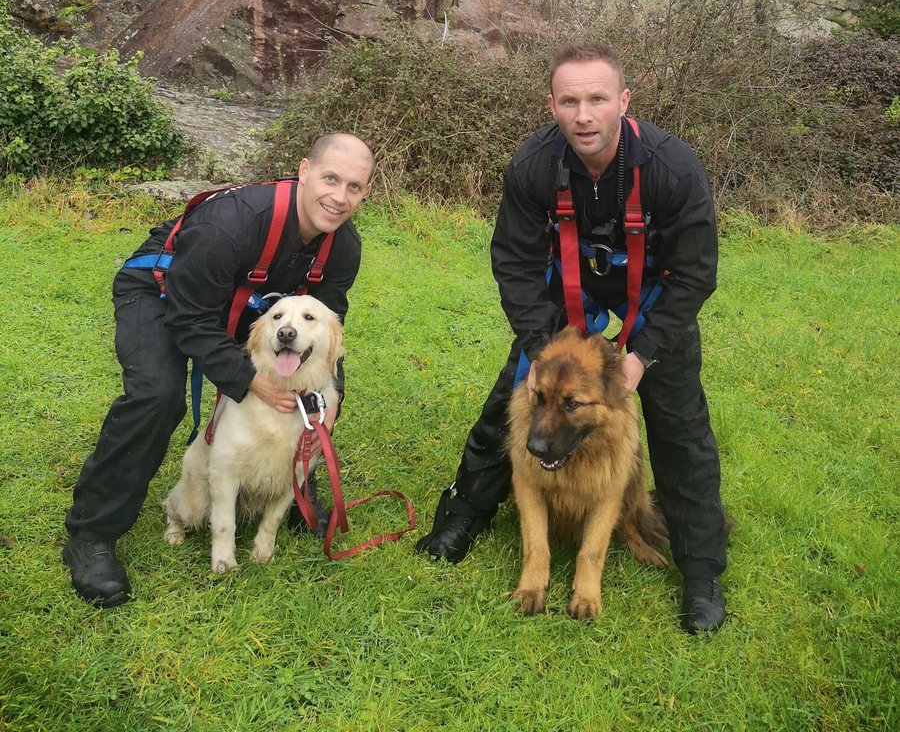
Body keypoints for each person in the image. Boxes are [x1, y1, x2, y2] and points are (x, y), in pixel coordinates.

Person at [415, 43, 728, 633]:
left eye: (597, 99)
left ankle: (702, 572)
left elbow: (694, 273)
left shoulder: (673, 167)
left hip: (653, 303)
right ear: (552, 105)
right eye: (569, 101)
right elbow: (514, 260)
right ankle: (461, 518)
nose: (584, 115)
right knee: (510, 404)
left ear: (624, 101)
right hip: (565, 306)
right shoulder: (534, 164)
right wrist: (538, 348)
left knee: (681, 429)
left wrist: (643, 355)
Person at [63, 132, 374, 608]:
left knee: (313, 388)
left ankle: (291, 481)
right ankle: (91, 534)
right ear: (304, 171)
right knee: (157, 394)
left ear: (365, 192)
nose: (339, 197)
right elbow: (190, 317)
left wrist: (329, 399)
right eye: (330, 179)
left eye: (354, 187)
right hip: (164, 293)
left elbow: (327, 333)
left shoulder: (344, 246)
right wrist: (249, 379)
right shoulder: (232, 223)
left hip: (251, 308)